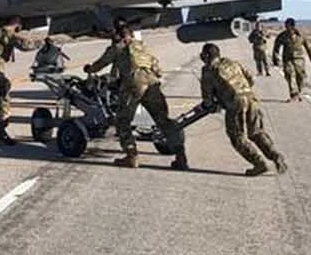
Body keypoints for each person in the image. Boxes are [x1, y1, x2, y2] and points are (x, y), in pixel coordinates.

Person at [84, 22, 187, 169]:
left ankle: (132, 156)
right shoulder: (141, 46)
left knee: (122, 121)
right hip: (152, 83)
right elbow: (156, 65)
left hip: (134, 85)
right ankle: (181, 156)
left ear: (119, 36)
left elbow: (101, 64)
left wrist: (89, 69)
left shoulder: (117, 48)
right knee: (163, 120)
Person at [200, 44, 286, 176]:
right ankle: (276, 156)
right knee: (256, 132)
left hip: (235, 103)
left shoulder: (208, 70)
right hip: (251, 98)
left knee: (237, 137)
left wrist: (214, 104)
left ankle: (259, 164)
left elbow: (207, 99)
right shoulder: (232, 63)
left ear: (205, 56)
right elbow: (250, 78)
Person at [0, 16, 41, 145]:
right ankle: (1, 132)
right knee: (2, 99)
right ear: (16, 23)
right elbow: (25, 45)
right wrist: (42, 42)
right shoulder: (8, 32)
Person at [271, 18, 311, 101]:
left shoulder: (301, 36)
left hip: (299, 59)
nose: (286, 28)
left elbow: (308, 46)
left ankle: (298, 92)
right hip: (287, 59)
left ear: (292, 26)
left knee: (300, 77)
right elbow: (276, 47)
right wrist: (275, 58)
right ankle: (293, 94)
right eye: (286, 26)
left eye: (288, 26)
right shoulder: (282, 36)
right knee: (289, 74)